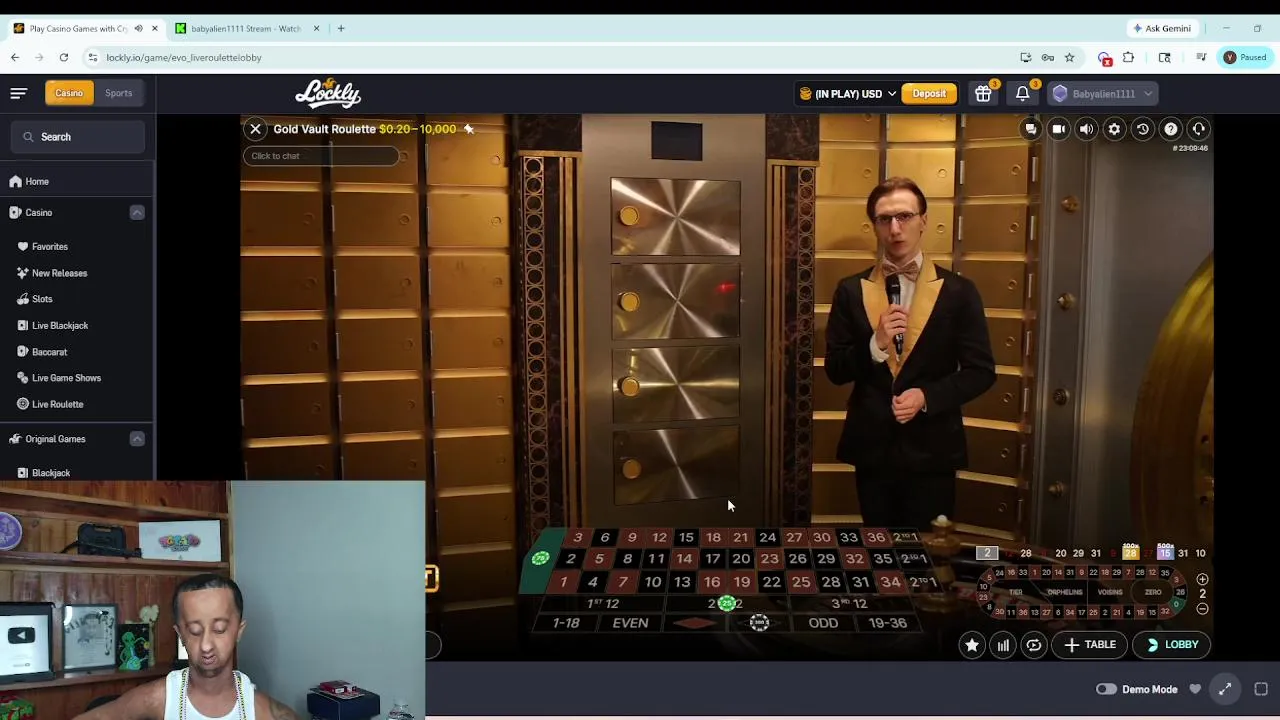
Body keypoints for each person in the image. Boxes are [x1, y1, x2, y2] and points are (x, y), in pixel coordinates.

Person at [824, 177, 997, 530]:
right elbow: (836, 370)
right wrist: (875, 344)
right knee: (879, 549)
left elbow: (981, 371)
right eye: (884, 219)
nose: (895, 228)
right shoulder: (850, 290)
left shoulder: (959, 291)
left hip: (933, 449)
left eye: (904, 216)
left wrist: (927, 396)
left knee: (927, 553)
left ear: (923, 220)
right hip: (872, 449)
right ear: (874, 225)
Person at [73, 574, 302, 720]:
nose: (206, 645)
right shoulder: (157, 699)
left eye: (220, 629)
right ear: (180, 634)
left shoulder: (266, 712)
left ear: (239, 631)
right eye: (194, 631)